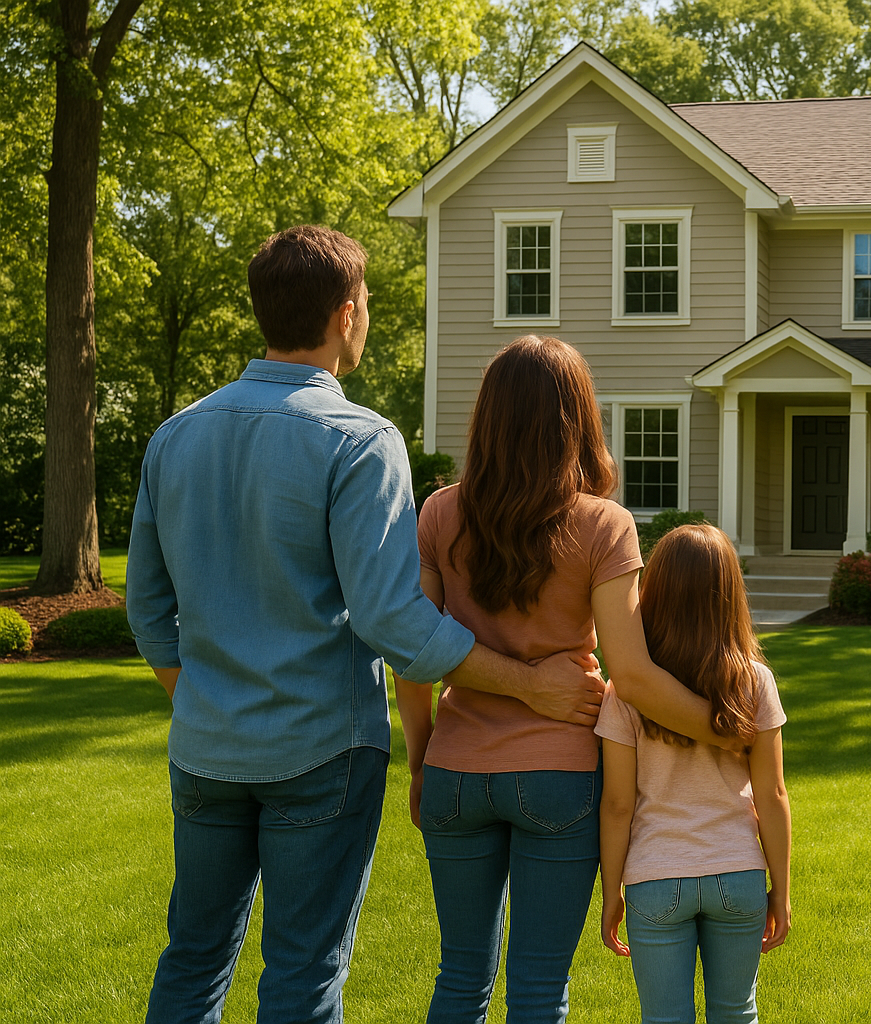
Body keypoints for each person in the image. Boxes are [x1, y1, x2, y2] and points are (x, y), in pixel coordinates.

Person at [127, 226, 605, 1024]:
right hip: (322, 748)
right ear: (347, 314)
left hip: (205, 748)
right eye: (371, 305)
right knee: (303, 971)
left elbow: (146, 607)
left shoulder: (175, 435)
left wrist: (202, 694)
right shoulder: (359, 440)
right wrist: (533, 685)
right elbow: (394, 622)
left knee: (193, 957)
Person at [395, 335, 740, 1024]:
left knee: (460, 977)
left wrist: (422, 757)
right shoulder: (603, 524)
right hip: (560, 778)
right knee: (537, 987)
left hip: (456, 771)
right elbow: (634, 675)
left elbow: (414, 656)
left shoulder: (438, 512)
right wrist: (732, 732)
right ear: (577, 420)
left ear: (487, 418)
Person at [597, 524, 793, 1024]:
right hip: (739, 875)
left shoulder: (628, 690)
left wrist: (611, 892)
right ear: (730, 594)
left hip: (655, 879)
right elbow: (771, 795)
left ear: (655, 589)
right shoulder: (754, 681)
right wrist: (781, 892)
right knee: (737, 1013)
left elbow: (617, 804)